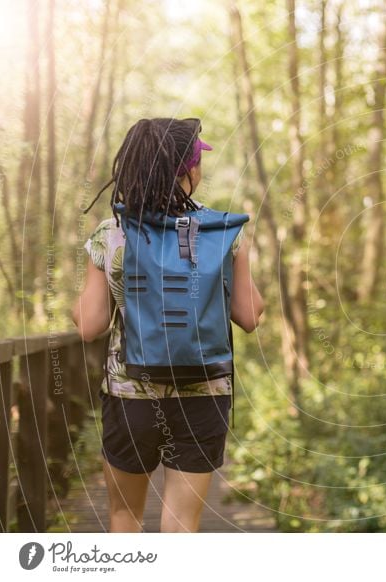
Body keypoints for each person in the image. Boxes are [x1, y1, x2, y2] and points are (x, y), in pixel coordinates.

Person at [71, 118, 264, 533]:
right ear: (189, 170)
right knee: (180, 525)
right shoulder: (225, 231)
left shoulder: (112, 232)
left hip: (130, 393)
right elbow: (249, 317)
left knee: (126, 516)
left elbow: (89, 326)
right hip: (204, 390)